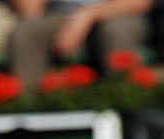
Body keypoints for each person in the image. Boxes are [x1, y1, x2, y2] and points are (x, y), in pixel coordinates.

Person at [9, 0, 153, 90]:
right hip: (59, 15)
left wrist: (87, 16)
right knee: (27, 32)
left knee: (117, 31)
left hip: (118, 12)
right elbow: (30, 11)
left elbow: (139, 2)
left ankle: (125, 115)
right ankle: (32, 120)